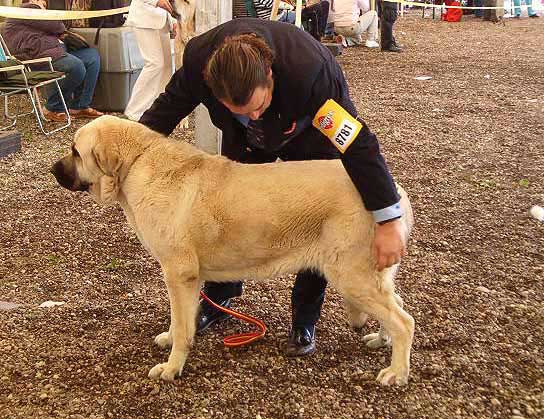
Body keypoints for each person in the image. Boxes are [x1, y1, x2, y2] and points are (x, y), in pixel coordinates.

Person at [139, 18, 406, 357]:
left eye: (258, 107)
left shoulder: (312, 75)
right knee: (225, 215)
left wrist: (388, 219)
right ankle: (218, 299)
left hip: (308, 136)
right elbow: (163, 114)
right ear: (211, 88)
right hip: (244, 147)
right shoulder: (197, 64)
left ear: (270, 76)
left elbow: (357, 145)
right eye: (239, 112)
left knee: (315, 221)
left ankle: (304, 319)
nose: (253, 117)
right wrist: (127, 152)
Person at [1, 0, 103, 122]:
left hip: (52, 52)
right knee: (76, 67)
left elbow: (55, 28)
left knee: (91, 57)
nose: (45, 4)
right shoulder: (28, 10)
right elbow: (58, 26)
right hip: (36, 57)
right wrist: (41, 9)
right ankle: (53, 107)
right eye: (42, 2)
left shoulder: (31, 15)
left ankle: (79, 105)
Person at [124, 0, 178, 121]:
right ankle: (135, 111)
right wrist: (156, 1)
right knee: (155, 64)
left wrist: (173, 21)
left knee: (167, 67)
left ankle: (158, 109)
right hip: (144, 19)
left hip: (162, 21)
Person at [252, 0, 330, 41]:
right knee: (316, 10)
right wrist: (290, 6)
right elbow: (273, 4)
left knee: (324, 4)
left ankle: (319, 35)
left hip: (284, 14)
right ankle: (316, 38)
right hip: (279, 18)